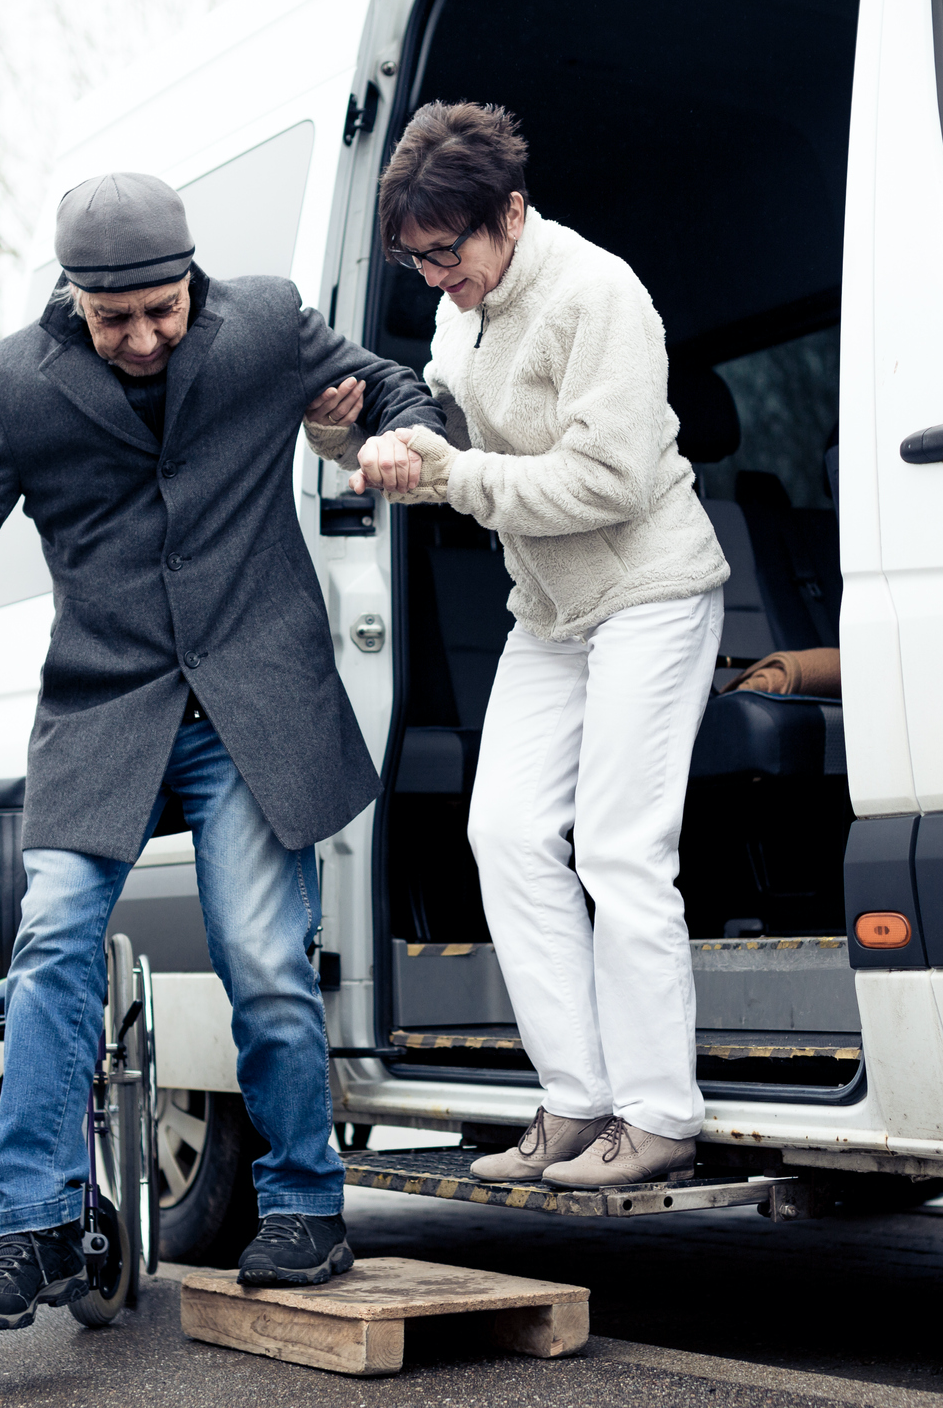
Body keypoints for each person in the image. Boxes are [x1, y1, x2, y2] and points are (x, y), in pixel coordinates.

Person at [0, 172, 441, 1327]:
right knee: (50, 945)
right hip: (107, 710)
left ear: (189, 280)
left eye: (162, 310)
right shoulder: (16, 385)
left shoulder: (263, 325)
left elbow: (389, 381)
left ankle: (304, 1204)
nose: (143, 336)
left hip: (251, 700)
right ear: (75, 301)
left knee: (263, 952)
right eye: (115, 319)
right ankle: (35, 1225)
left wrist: (403, 430)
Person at [306, 103, 729, 1189]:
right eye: (416, 259)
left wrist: (450, 477)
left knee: (621, 847)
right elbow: (447, 426)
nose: (436, 278)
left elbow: (606, 482)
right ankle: (577, 1101)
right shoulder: (466, 309)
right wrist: (354, 434)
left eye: (450, 252)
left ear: (509, 212)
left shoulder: (597, 295)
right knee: (502, 831)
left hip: (650, 589)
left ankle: (659, 1114)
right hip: (549, 612)